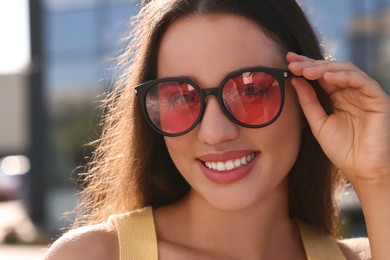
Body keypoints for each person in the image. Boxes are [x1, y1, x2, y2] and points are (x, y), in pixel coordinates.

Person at [44, 0, 390, 259]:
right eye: (180, 97)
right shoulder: (93, 256)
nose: (214, 131)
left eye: (250, 90)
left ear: (307, 98)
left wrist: (377, 179)